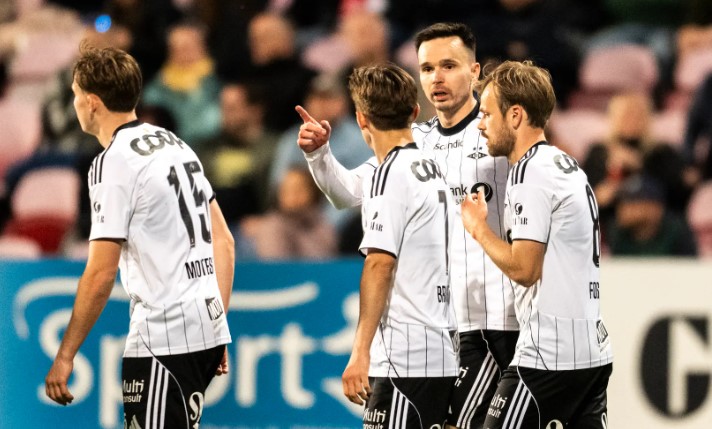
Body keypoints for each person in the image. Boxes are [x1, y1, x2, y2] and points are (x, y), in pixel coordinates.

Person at [297, 22, 517, 428]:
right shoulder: (414, 141)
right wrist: (320, 156)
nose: (437, 78)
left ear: (474, 72)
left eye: (449, 66)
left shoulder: (498, 138)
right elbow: (350, 192)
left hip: (496, 321)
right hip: (445, 330)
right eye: (427, 68)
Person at [44, 43, 235, 429]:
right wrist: (217, 323)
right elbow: (224, 241)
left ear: (92, 103)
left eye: (76, 95)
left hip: (162, 336)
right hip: (206, 328)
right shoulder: (176, 144)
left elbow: (101, 273)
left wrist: (65, 355)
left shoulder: (113, 162)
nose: (75, 104)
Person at [461, 60, 613, 427]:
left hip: (549, 355)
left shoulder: (530, 172)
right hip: (591, 351)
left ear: (515, 115)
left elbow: (525, 269)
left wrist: (479, 229)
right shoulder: (564, 163)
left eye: (487, 114)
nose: (481, 124)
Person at [340, 63, 458, 428]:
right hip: (439, 350)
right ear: (415, 110)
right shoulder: (431, 167)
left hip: (404, 357)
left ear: (361, 118)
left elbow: (380, 264)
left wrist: (360, 352)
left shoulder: (388, 172)